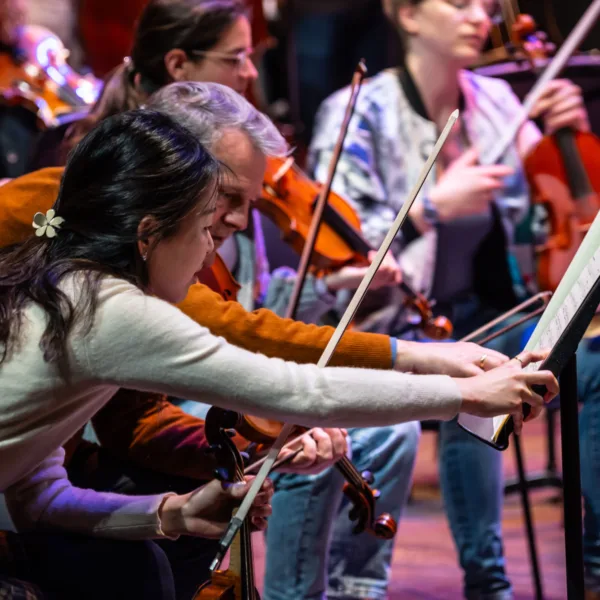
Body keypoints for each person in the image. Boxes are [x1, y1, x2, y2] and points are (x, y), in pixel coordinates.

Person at [0, 105, 558, 596]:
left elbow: (38, 498)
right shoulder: (108, 307)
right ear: (147, 236)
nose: (210, 252)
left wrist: (175, 513)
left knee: (140, 565)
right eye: (204, 229)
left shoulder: (66, 282)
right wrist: (463, 394)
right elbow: (299, 391)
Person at [309, 1, 591, 598]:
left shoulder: (498, 103)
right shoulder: (358, 112)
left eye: (485, 5)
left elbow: (546, 214)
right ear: (407, 15)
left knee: (592, 359)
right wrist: (430, 209)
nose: (479, 16)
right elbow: (340, 256)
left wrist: (563, 135)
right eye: (459, 3)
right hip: (400, 327)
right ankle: (489, 582)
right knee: (476, 373)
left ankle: (594, 563)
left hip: (503, 312)